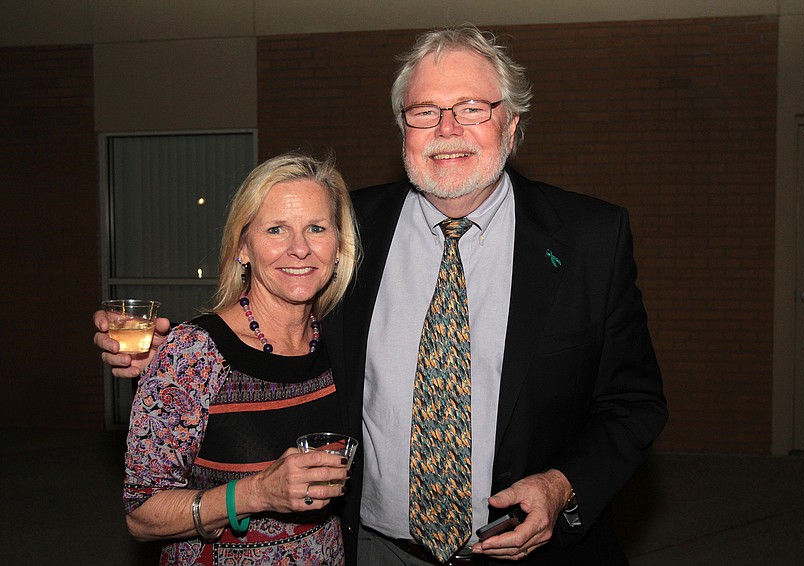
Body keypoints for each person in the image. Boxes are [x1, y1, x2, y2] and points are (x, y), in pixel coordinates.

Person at [98, 26, 667, 565]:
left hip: (534, 554)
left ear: (512, 125)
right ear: (402, 130)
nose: (446, 128)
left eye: (472, 107)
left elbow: (634, 403)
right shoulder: (349, 230)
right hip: (375, 550)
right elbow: (277, 313)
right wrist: (179, 358)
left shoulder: (590, 239)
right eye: (424, 111)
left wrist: (562, 485)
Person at [111, 153, 361, 565]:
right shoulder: (193, 353)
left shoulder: (342, 344)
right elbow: (141, 515)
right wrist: (256, 493)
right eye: (276, 229)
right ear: (243, 247)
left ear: (338, 247)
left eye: (316, 228)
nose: (300, 248)